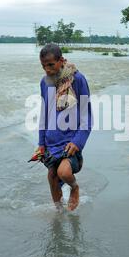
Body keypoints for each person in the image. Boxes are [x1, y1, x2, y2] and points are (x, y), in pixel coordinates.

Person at [37, 43, 92, 211]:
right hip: (51, 141)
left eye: (51, 65)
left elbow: (86, 115)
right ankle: (59, 214)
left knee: (64, 173)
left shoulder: (77, 79)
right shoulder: (45, 83)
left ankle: (74, 188)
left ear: (61, 61)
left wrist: (78, 142)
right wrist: (41, 143)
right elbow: (44, 113)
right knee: (52, 177)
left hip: (70, 141)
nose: (47, 69)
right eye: (43, 66)